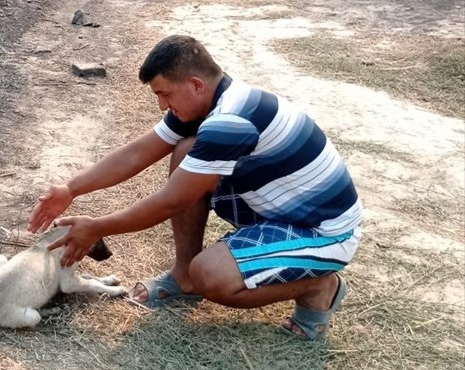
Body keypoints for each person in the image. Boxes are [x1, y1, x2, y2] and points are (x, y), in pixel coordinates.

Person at [28, 35, 362, 340]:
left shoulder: (229, 121)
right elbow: (137, 153)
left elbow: (173, 200)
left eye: (164, 94)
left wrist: (97, 227)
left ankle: (319, 285)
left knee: (211, 275)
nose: (162, 106)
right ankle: (183, 277)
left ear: (196, 84)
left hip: (324, 232)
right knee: (186, 150)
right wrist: (71, 188)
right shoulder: (210, 104)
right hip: (283, 210)